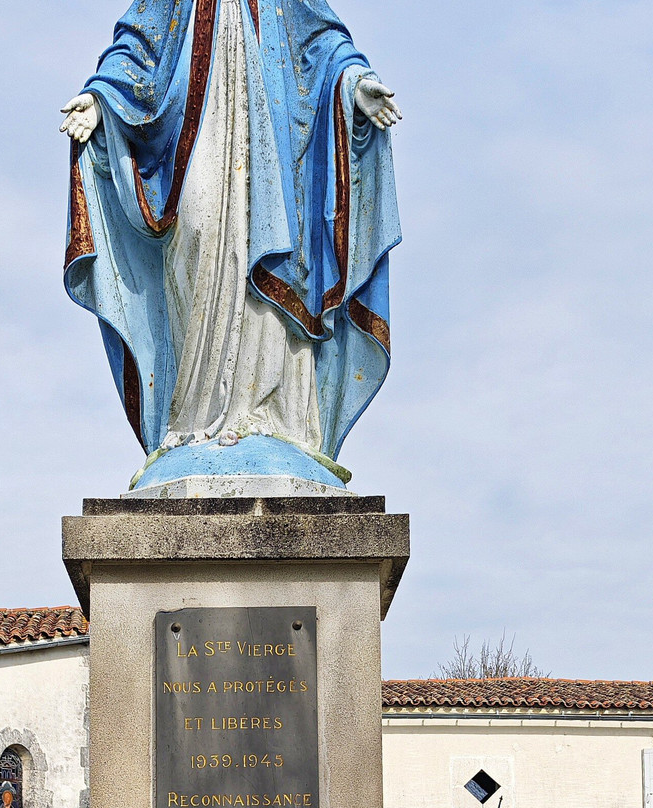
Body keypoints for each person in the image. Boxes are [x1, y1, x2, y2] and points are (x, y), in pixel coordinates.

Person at [62, 0, 401, 474]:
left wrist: (354, 85)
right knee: (199, 235)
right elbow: (139, 43)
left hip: (279, 152)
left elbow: (322, 44)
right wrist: (101, 98)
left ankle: (273, 422)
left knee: (274, 261)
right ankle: (196, 418)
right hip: (195, 134)